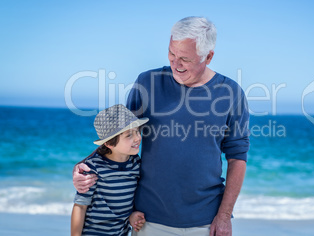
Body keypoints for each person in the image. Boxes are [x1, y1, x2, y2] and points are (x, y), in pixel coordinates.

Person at [73, 17, 250, 236]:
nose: (176, 64)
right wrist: (82, 167)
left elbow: (237, 158)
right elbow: (118, 137)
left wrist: (224, 217)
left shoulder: (231, 93)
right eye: (171, 54)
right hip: (148, 221)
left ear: (209, 56)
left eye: (184, 58)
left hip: (206, 222)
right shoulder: (148, 82)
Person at [71, 104, 149, 236]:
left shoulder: (136, 163)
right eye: (129, 135)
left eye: (137, 131)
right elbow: (80, 206)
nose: (137, 138)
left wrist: (132, 214)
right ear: (109, 143)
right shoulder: (94, 168)